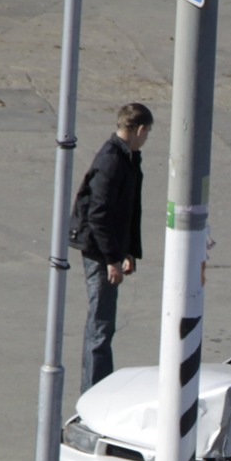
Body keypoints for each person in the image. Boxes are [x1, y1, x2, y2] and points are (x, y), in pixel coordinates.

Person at [69, 102, 151, 393]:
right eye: (147, 133)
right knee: (100, 326)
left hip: (109, 249)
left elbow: (126, 210)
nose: (146, 138)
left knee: (103, 324)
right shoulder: (112, 160)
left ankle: (97, 388)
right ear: (140, 129)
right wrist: (112, 259)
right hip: (99, 251)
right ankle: (94, 393)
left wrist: (127, 251)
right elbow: (99, 215)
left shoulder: (127, 157)